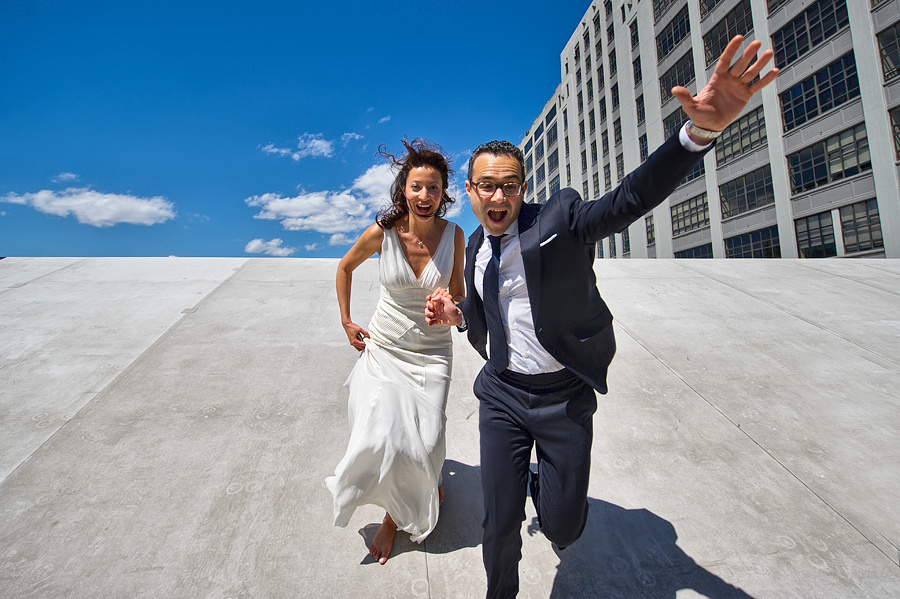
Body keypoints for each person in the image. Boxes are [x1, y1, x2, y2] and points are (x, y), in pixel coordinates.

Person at [426, 36, 779, 598]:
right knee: (498, 524)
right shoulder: (478, 247)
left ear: (523, 189)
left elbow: (628, 198)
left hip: (563, 398)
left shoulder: (560, 219)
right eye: (486, 185)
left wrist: (697, 135)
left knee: (565, 524)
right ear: (470, 190)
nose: (498, 196)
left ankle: (549, 490)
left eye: (509, 186)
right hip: (501, 396)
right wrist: (457, 311)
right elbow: (493, 308)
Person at [325, 139, 466, 565]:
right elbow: (344, 267)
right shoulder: (382, 234)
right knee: (383, 436)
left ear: (443, 194)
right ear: (404, 189)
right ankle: (391, 520)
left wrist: (449, 305)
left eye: (435, 189)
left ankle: (427, 483)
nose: (425, 197)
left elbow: (458, 289)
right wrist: (347, 321)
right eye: (417, 187)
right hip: (386, 347)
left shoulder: (454, 235)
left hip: (433, 352)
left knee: (427, 438)